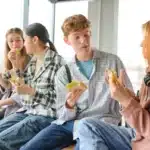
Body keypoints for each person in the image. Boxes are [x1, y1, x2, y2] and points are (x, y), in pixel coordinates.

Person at [20, 14, 132, 150]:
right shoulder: (64, 72)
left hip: (103, 123)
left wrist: (122, 95)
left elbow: (130, 101)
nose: (84, 40)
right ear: (67, 40)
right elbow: (61, 114)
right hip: (71, 124)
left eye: (86, 34)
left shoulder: (113, 62)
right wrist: (69, 104)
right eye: (77, 37)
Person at [76, 20, 150, 150]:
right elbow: (144, 108)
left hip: (144, 139)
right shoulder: (148, 74)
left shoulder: (113, 60)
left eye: (145, 39)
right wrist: (127, 95)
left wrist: (125, 100)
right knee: (85, 125)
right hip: (139, 135)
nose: (141, 44)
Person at [0, 23, 64, 150]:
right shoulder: (34, 62)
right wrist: (15, 65)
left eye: (25, 40)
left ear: (35, 40)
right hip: (28, 112)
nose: (23, 44)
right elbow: (22, 92)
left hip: (46, 116)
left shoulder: (59, 63)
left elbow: (59, 101)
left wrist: (32, 92)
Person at [0, 27, 31, 118]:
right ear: (7, 43)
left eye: (18, 40)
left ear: (23, 40)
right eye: (11, 41)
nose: (15, 44)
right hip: (9, 98)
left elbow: (22, 87)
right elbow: (10, 87)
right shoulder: (7, 60)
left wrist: (15, 66)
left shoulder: (30, 59)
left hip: (21, 103)